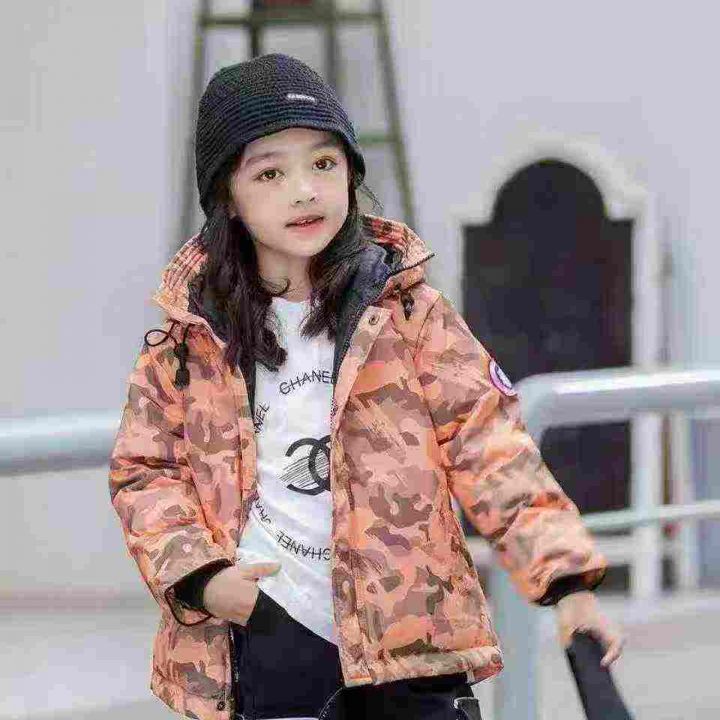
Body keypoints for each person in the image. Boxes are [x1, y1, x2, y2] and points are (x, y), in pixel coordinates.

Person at [108, 53, 624, 720]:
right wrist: (203, 579)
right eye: (270, 172)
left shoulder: (408, 314)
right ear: (228, 198)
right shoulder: (189, 342)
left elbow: (491, 448)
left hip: (412, 649)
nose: (305, 191)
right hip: (265, 641)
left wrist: (569, 583)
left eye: (324, 163)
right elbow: (143, 473)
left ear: (350, 173)